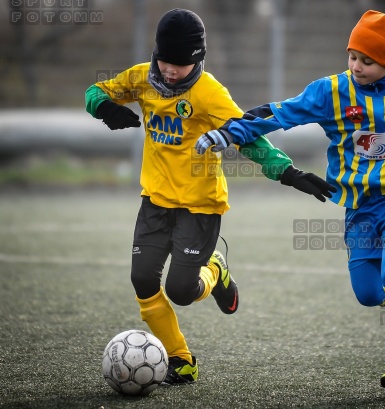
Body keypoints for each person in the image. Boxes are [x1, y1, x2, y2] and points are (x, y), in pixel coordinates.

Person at [195, 10, 385, 398]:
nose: (357, 66)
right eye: (353, 56)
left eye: (368, 60)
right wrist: (228, 133)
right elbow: (276, 114)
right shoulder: (330, 92)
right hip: (360, 207)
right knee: (369, 294)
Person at [85, 8, 335, 385]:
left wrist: (288, 172)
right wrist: (104, 108)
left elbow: (247, 134)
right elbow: (95, 91)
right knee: (142, 281)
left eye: (180, 64)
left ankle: (216, 270)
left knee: (181, 292)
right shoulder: (141, 78)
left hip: (200, 208)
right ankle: (181, 360)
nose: (170, 70)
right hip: (154, 201)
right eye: (165, 60)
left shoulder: (210, 93)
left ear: (198, 60)